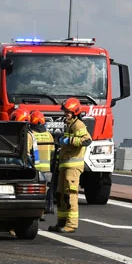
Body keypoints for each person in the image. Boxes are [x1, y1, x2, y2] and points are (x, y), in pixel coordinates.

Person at [50, 97, 92, 233]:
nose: (65, 114)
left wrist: (70, 140)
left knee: (70, 195)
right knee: (61, 195)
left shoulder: (78, 125)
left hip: (73, 167)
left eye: (68, 112)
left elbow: (87, 140)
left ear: (75, 112)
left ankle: (71, 224)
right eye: (65, 112)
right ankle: (61, 222)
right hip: (65, 165)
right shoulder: (69, 124)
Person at [29, 110, 56, 213]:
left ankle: (38, 211)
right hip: (47, 169)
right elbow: (52, 152)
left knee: (35, 191)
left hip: (35, 168)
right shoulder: (49, 135)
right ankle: (47, 208)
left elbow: (27, 152)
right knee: (46, 189)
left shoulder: (30, 135)